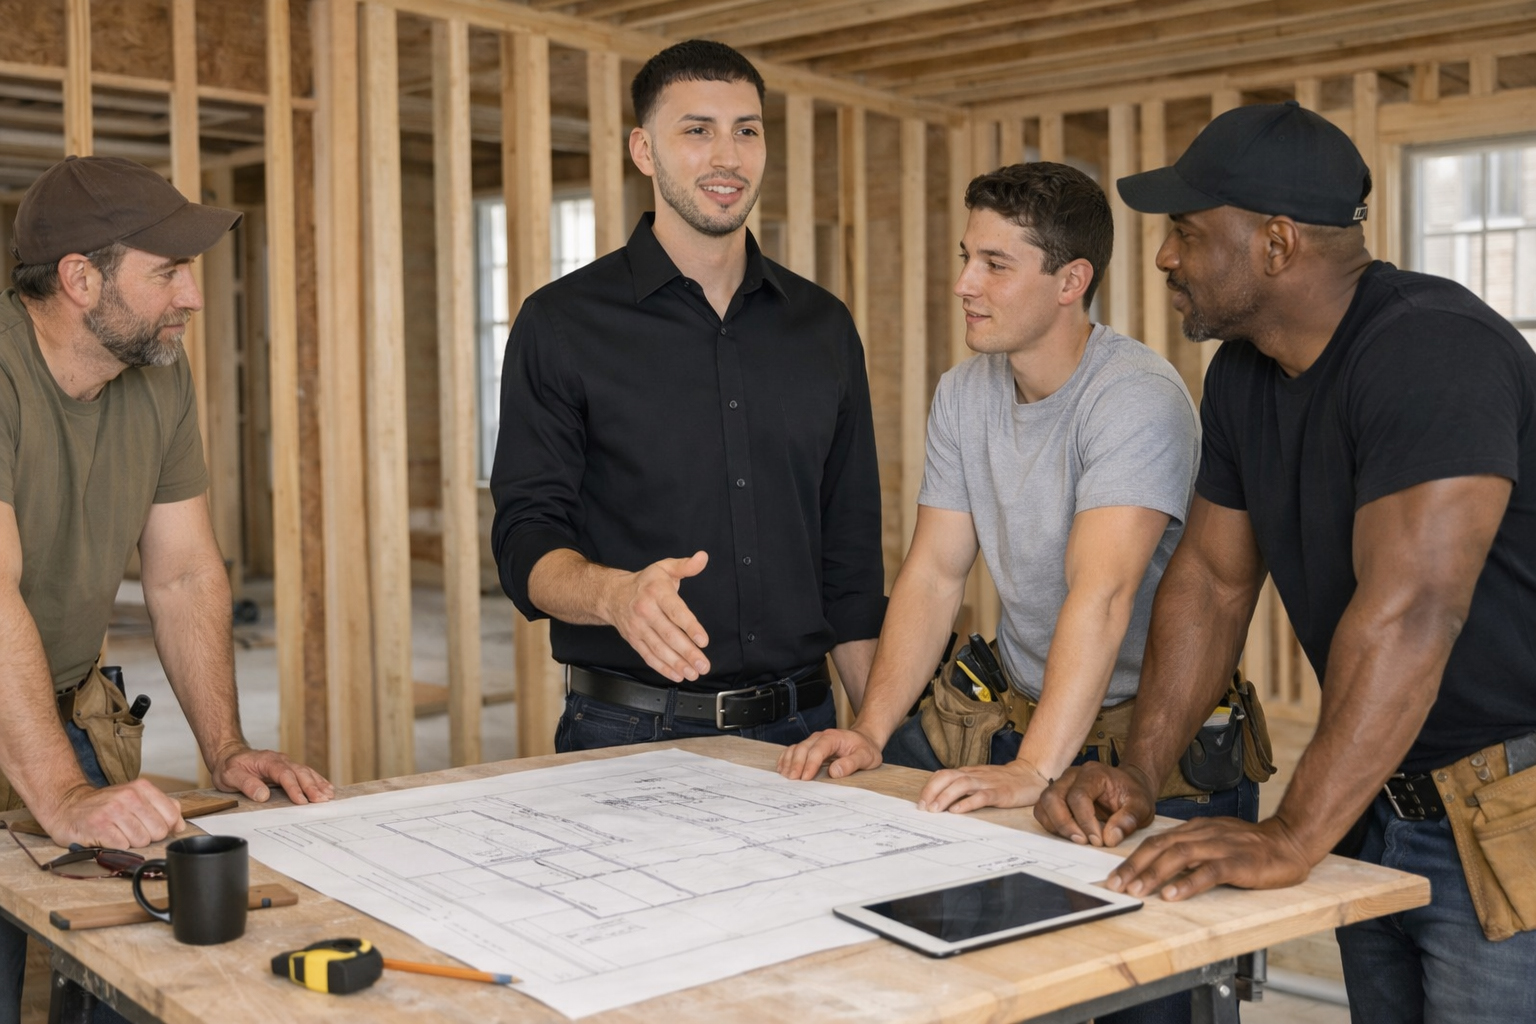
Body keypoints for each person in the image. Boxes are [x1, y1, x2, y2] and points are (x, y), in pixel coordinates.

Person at [1035, 100, 1536, 1024]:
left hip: (1507, 807)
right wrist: (1143, 773)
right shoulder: (1243, 375)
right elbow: (1214, 581)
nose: (1164, 258)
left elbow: (1415, 611)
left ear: (1275, 243)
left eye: (1186, 232)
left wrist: (1295, 832)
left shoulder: (1432, 349)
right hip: (1373, 795)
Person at [778, 163, 1261, 1024]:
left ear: (1071, 281)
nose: (964, 283)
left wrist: (1034, 769)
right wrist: (870, 729)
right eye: (967, 256)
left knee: (1144, 1003)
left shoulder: (1133, 398)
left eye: (995, 264)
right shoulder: (964, 394)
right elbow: (933, 571)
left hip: (1159, 758)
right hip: (1034, 720)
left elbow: (1101, 596)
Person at [0, 156, 333, 1021]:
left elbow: (183, 572)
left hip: (57, 709)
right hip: (29, 720)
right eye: (168, 272)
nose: (192, 296)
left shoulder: (158, 376)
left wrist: (224, 749)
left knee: (116, 975)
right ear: (79, 278)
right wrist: (64, 796)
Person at [490, 40, 884, 752]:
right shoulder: (562, 323)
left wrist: (883, 735)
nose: (726, 156)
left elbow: (851, 559)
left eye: (747, 130)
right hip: (625, 731)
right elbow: (525, 538)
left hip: (806, 726)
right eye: (696, 130)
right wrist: (614, 595)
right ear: (644, 150)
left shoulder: (823, 326)